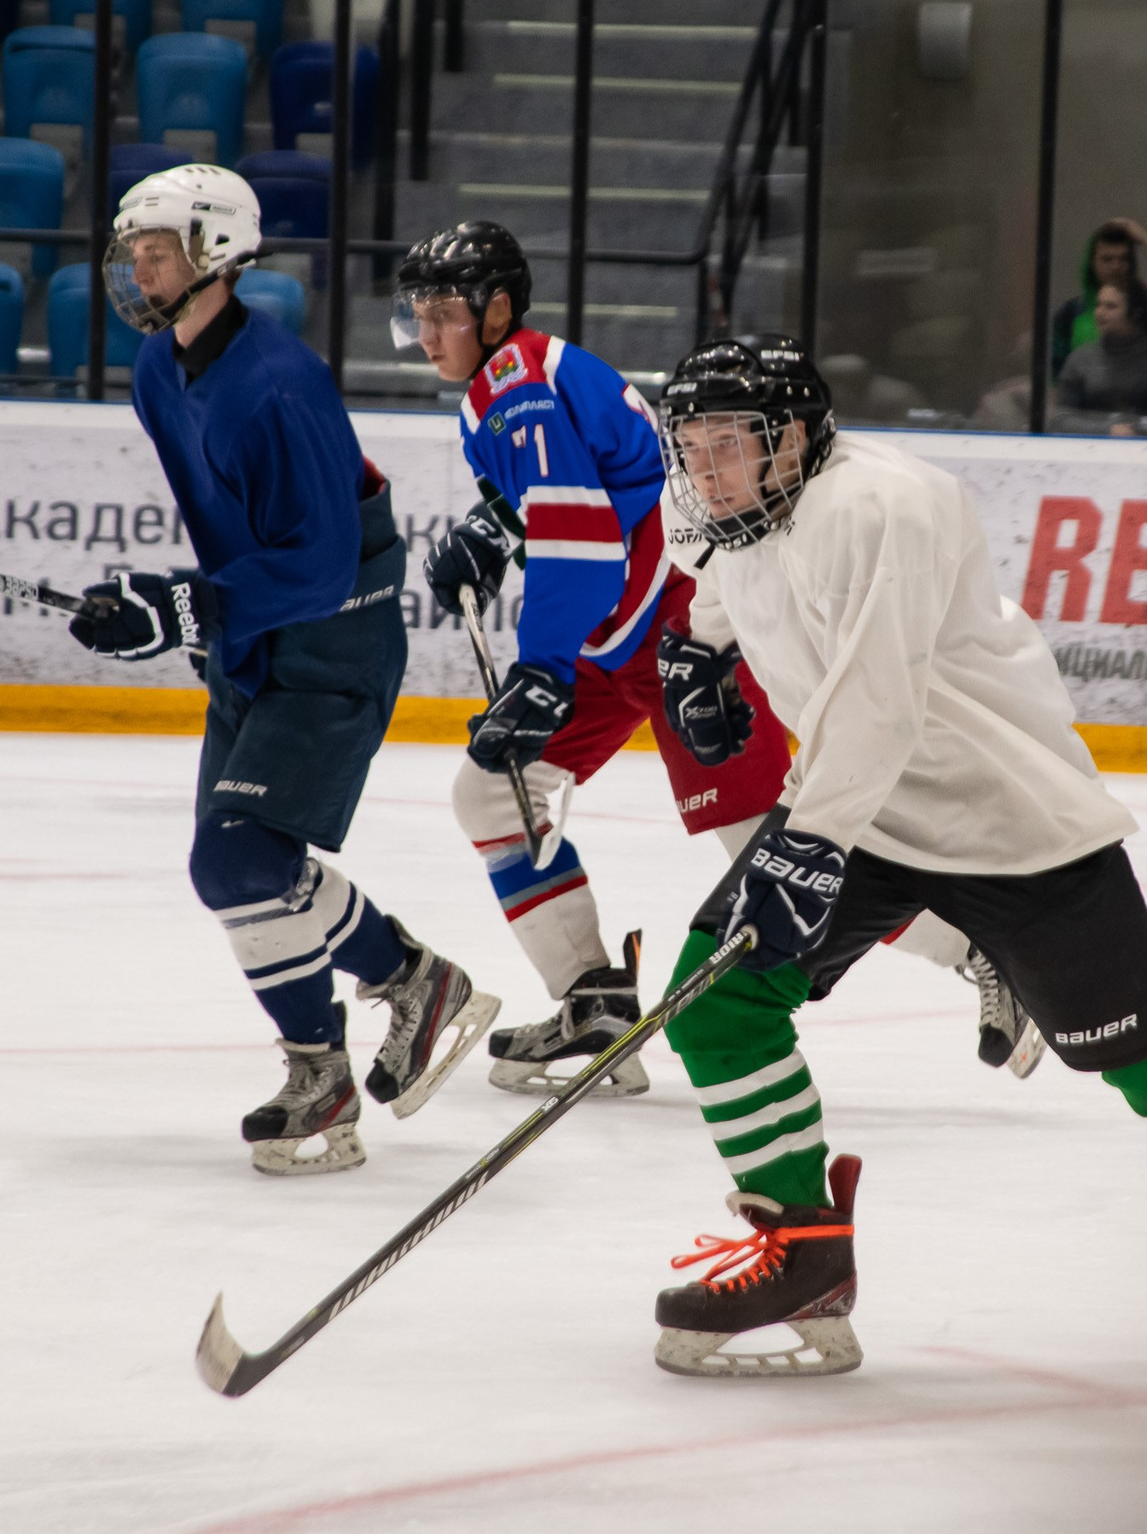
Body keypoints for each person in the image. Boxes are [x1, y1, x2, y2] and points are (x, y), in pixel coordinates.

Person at [639, 336, 1147, 1380]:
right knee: (716, 998)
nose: (705, 469)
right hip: (864, 811)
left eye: (727, 443)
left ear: (791, 439)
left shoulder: (880, 506)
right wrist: (700, 648)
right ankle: (803, 1248)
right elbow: (730, 578)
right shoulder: (735, 510)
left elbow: (878, 705)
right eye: (690, 446)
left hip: (1004, 818)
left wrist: (806, 844)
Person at [73, 166, 498, 1177]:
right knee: (232, 868)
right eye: (134, 250)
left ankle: (362, 1036)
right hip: (257, 638)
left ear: (218, 253)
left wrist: (192, 605)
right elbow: (228, 526)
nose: (140, 269)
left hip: (333, 637)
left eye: (159, 251)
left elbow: (318, 566)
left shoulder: (279, 383)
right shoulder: (157, 368)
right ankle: (377, 1020)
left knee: (241, 859)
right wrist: (174, 607)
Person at [394, 221, 796, 1097]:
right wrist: (495, 526)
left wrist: (541, 670)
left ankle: (978, 951)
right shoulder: (518, 377)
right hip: (620, 633)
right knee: (492, 793)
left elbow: (577, 540)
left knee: (779, 848)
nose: (425, 334)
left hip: (686, 633)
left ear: (496, 311)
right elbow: (600, 484)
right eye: (417, 315)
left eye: (442, 314)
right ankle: (593, 1000)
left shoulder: (518, 387)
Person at [1049, 217, 1147, 379]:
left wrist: (1145, 239)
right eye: (1107, 259)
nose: (1116, 266)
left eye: (1124, 259)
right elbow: (1058, 376)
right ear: (1092, 263)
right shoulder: (1071, 312)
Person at [1052, 280, 1147, 429]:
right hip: (1094, 441)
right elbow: (1062, 419)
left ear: (1135, 313)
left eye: (1110, 306)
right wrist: (1107, 431)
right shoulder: (1080, 359)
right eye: (1098, 305)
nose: (1100, 313)